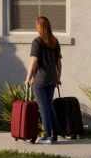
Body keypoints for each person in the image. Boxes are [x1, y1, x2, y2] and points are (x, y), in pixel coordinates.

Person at [24, 16, 63, 144]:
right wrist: (58, 78)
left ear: (40, 27)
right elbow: (59, 62)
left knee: (43, 108)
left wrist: (28, 78)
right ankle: (55, 133)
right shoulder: (54, 42)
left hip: (40, 79)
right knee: (50, 106)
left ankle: (47, 135)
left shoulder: (37, 42)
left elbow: (34, 61)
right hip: (52, 78)